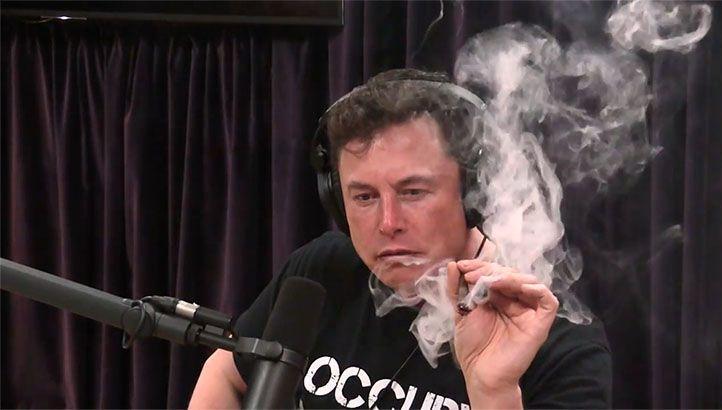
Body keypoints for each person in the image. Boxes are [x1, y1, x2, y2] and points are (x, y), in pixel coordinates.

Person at [189, 69, 612, 409]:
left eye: (413, 192)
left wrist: (494, 393)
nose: (388, 223)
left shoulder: (557, 342)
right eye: (364, 197)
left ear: (472, 193)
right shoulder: (324, 271)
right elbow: (226, 371)